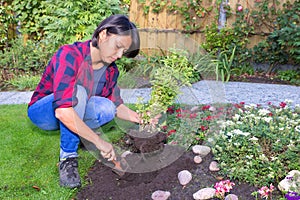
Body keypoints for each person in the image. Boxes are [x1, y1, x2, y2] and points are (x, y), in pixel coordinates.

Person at [27, 14, 141, 189]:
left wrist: (141, 119)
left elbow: (117, 106)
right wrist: (98, 141)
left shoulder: (111, 70)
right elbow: (62, 110)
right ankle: (67, 158)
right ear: (103, 35)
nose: (119, 55)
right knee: (77, 92)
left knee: (107, 107)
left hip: (72, 110)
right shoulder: (69, 55)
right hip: (45, 112)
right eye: (118, 47)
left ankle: (80, 134)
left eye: (123, 52)